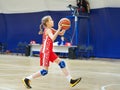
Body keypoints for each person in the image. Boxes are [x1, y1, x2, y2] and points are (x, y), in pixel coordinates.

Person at [22, 15, 81, 89]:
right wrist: (59, 28)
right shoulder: (47, 30)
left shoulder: (51, 29)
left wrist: (64, 27)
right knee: (44, 71)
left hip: (49, 51)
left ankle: (71, 81)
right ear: (47, 23)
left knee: (61, 63)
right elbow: (52, 38)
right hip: (45, 52)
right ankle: (27, 79)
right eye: (51, 20)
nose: (53, 21)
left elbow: (61, 33)